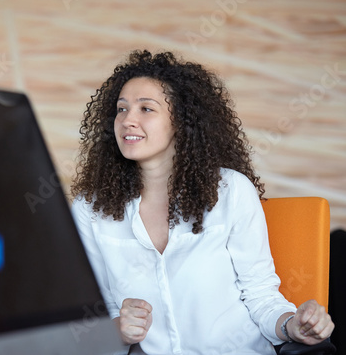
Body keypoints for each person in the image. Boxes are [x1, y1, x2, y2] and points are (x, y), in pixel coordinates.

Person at [70, 50, 334, 354]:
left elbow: (260, 295)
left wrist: (292, 325)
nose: (128, 120)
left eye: (146, 109)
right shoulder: (90, 208)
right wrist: (116, 330)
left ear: (181, 121)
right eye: (121, 108)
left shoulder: (231, 190)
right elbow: (94, 312)